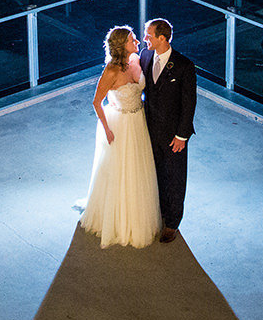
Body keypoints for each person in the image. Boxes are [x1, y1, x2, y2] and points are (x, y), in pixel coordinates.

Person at [79, 26, 162, 248]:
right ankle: (121, 219)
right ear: (120, 46)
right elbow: (97, 102)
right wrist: (107, 129)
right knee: (121, 170)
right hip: (121, 124)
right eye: (132, 39)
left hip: (139, 120)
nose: (137, 41)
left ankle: (138, 212)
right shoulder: (111, 71)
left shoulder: (136, 59)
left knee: (139, 168)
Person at [140, 17, 196, 243]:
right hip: (148, 130)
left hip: (174, 136)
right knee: (155, 174)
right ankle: (160, 213)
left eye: (148, 35)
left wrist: (182, 135)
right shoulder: (144, 56)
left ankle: (172, 223)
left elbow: (189, 103)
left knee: (174, 178)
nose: (145, 39)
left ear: (162, 38)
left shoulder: (184, 65)